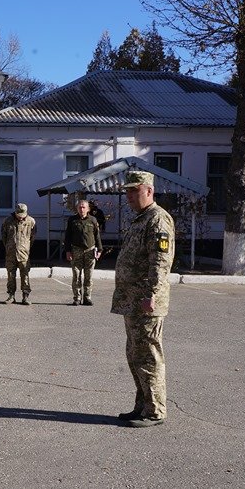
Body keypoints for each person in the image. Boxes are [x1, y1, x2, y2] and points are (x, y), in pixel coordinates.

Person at [111, 171, 175, 428]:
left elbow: (160, 263)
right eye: (126, 191)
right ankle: (143, 405)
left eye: (133, 191)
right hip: (132, 300)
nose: (128, 196)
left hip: (146, 302)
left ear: (148, 190)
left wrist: (151, 295)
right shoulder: (141, 219)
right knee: (135, 355)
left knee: (148, 355)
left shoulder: (158, 219)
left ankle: (156, 411)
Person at [64, 199, 103, 306]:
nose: (81, 209)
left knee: (88, 276)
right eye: (80, 207)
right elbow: (67, 236)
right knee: (76, 275)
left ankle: (87, 298)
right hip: (76, 250)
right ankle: (77, 298)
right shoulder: (72, 220)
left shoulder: (93, 220)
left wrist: (100, 249)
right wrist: (67, 251)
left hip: (90, 250)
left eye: (83, 207)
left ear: (88, 209)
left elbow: (97, 235)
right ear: (77, 208)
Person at [1, 202, 36, 305]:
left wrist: (25, 247)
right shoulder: (7, 221)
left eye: (23, 216)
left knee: (25, 276)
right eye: (18, 215)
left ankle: (25, 296)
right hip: (10, 253)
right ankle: (11, 296)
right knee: (11, 276)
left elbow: (32, 238)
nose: (21, 218)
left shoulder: (31, 222)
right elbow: (4, 237)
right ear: (15, 213)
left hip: (24, 254)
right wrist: (9, 246)